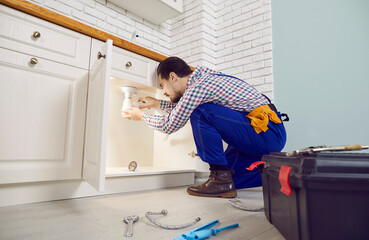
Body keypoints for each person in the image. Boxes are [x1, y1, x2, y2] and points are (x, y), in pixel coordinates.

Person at [121, 57, 287, 198]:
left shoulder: (199, 87)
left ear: (173, 77)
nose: (163, 91)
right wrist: (157, 103)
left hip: (267, 132)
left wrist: (142, 116)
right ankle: (278, 174)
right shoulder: (203, 81)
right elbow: (185, 107)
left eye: (162, 85)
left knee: (200, 113)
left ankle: (220, 180)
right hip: (262, 131)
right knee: (230, 179)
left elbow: (169, 124)